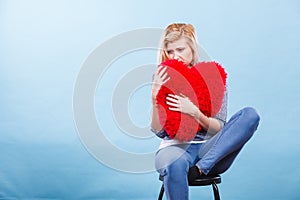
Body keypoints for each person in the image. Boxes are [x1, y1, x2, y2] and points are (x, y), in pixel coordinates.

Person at [151, 23, 260, 200]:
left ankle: (200, 169)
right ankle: (191, 169)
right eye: (170, 51)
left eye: (180, 49)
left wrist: (194, 112)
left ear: (192, 49)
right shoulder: (164, 77)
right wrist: (154, 97)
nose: (175, 56)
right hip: (175, 149)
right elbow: (159, 131)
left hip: (210, 152)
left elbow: (218, 127)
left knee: (250, 115)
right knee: (174, 163)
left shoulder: (212, 76)